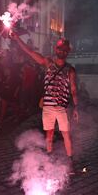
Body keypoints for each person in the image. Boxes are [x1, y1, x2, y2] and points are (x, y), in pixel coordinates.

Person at [10, 32, 79, 165]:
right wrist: (17, 38)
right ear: (56, 49)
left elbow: (73, 89)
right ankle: (49, 158)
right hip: (47, 108)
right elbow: (29, 52)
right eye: (60, 48)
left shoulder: (70, 70)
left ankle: (71, 160)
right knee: (49, 134)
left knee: (66, 134)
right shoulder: (48, 62)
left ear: (67, 52)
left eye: (64, 49)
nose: (62, 51)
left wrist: (76, 107)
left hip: (61, 109)